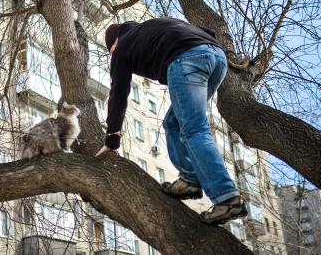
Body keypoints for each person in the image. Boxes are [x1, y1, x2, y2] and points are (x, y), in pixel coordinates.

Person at [95, 17, 248, 225]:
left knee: (194, 129)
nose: (113, 57)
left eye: (111, 52)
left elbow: (118, 92)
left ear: (114, 42)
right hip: (217, 58)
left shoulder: (122, 46)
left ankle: (227, 198)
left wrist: (112, 139)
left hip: (186, 59)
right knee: (173, 123)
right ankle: (190, 180)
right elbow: (204, 30)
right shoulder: (152, 28)